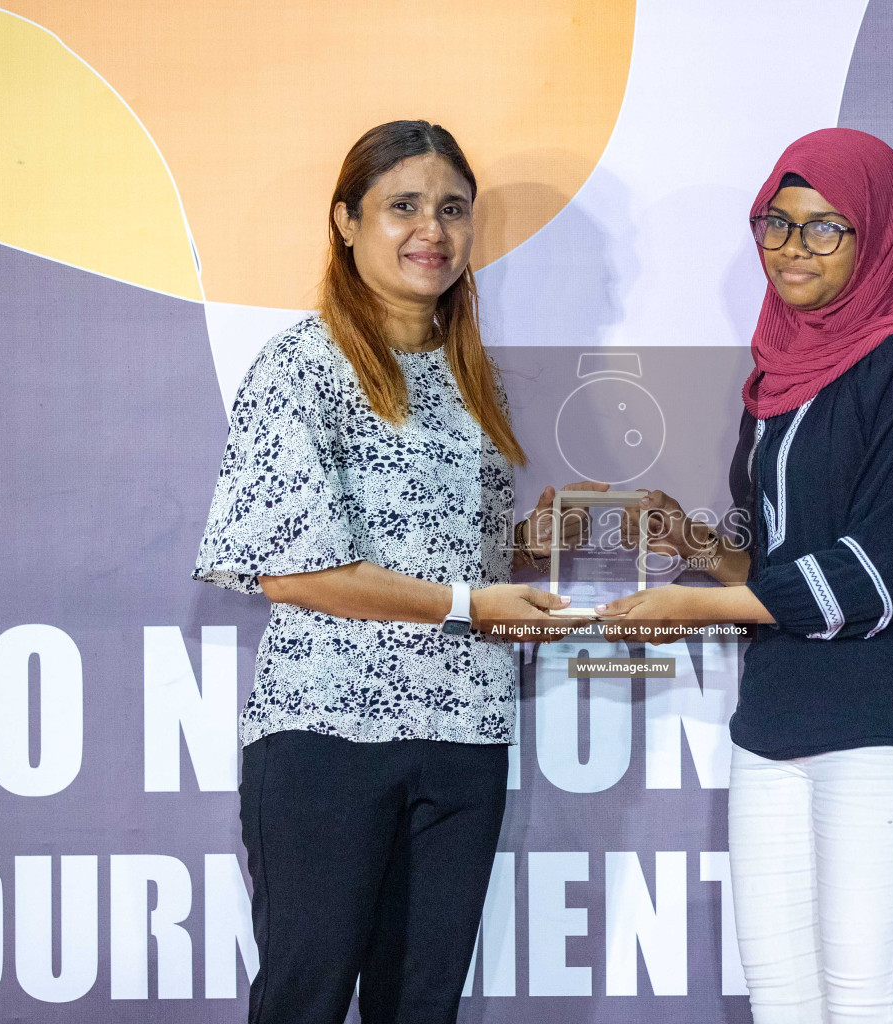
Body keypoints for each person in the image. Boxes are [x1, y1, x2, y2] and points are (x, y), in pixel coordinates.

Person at [192, 120, 595, 1024]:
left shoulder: (472, 377)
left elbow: (473, 561)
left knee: (422, 1006)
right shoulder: (302, 365)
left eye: (453, 209)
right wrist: (469, 603)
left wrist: (559, 546)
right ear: (345, 222)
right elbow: (291, 571)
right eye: (403, 206)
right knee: (308, 997)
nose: (434, 231)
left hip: (463, 738)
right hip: (330, 737)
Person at [599, 127, 893, 1023]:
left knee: (866, 1010)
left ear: (879, 233)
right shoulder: (779, 372)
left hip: (887, 731)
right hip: (775, 726)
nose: (791, 249)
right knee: (784, 1010)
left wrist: (691, 612)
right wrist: (694, 547)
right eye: (775, 225)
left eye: (825, 228)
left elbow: (872, 578)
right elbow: (785, 568)